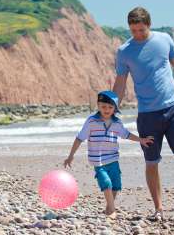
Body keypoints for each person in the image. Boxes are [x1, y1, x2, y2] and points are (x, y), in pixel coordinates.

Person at [112, 7, 174, 221]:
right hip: (147, 115)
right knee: (152, 162)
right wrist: (111, 110)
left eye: (141, 30)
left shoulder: (164, 40)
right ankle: (158, 209)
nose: (137, 34)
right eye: (133, 30)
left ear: (149, 24)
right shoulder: (124, 51)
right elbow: (120, 83)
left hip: (173, 108)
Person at [63, 90, 154, 218]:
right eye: (103, 106)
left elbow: (126, 135)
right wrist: (70, 156)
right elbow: (79, 138)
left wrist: (141, 140)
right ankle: (112, 210)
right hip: (98, 161)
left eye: (110, 107)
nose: (106, 109)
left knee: (116, 186)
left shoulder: (117, 123)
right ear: (98, 106)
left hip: (113, 159)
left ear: (115, 108)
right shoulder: (91, 121)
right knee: (106, 183)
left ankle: (108, 207)